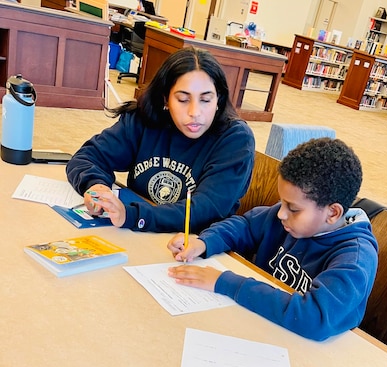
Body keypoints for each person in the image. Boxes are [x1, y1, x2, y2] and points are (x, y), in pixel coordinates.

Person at [167, 138, 379, 341]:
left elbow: (313, 318)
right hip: (258, 324)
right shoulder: (288, 219)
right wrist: (204, 242)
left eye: (293, 208)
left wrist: (225, 283)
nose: (280, 214)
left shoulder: (356, 258)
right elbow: (245, 226)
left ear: (332, 213)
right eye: (282, 203)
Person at [66, 47, 255, 233]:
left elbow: (203, 211)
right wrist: (97, 186)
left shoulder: (235, 139)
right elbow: (87, 157)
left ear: (218, 100)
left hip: (191, 246)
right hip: (137, 235)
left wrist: (132, 216)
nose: (195, 113)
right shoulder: (145, 119)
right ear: (165, 99)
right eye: (182, 100)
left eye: (205, 100)